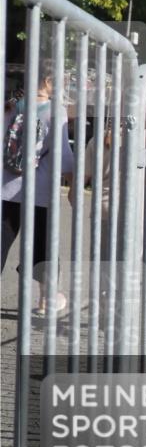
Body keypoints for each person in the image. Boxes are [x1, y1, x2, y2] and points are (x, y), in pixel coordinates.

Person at [1, 65, 76, 316]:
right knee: (43, 244)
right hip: (39, 192)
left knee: (1, 243)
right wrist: (73, 182)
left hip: (6, 189)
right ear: (47, 80)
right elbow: (62, 153)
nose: (64, 85)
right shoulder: (56, 111)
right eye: (61, 80)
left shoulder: (10, 106)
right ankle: (47, 299)